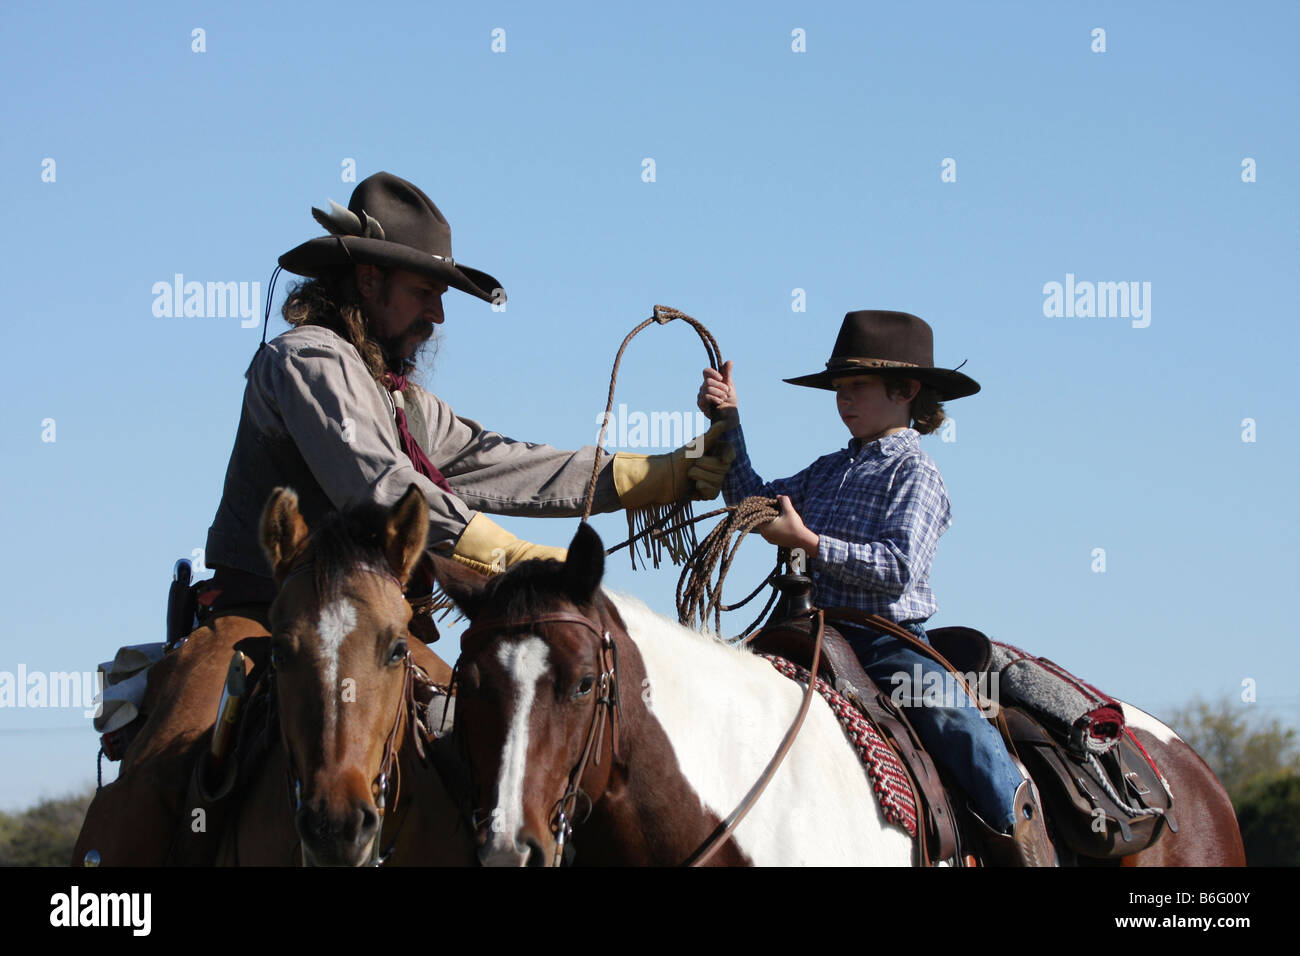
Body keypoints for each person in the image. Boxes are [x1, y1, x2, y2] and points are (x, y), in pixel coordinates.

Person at [79, 171, 733, 865]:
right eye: (425, 293)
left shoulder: (400, 399)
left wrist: (653, 476)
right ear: (368, 282)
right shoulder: (305, 361)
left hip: (385, 627)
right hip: (265, 617)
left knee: (485, 742)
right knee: (171, 766)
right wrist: (506, 555)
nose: (438, 316)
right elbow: (380, 484)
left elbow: (496, 461)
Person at [698, 309, 1055, 866]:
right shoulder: (826, 470)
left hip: (888, 640)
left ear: (906, 389)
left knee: (952, 719)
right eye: (839, 387)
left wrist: (810, 543)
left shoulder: (916, 473)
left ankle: (1023, 837)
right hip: (814, 630)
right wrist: (728, 420)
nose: (844, 399)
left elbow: (896, 568)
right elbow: (753, 500)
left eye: (857, 386)